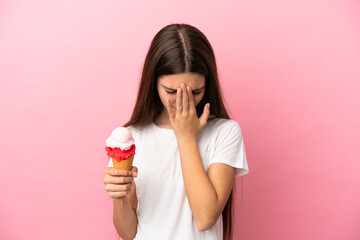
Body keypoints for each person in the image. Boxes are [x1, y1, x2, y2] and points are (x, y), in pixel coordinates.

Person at [103, 23, 249, 240]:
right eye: (171, 91)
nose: (184, 100)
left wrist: (186, 137)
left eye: (196, 91)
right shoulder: (131, 137)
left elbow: (205, 217)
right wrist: (119, 195)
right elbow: (128, 233)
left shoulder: (225, 132)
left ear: (208, 85)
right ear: (153, 83)